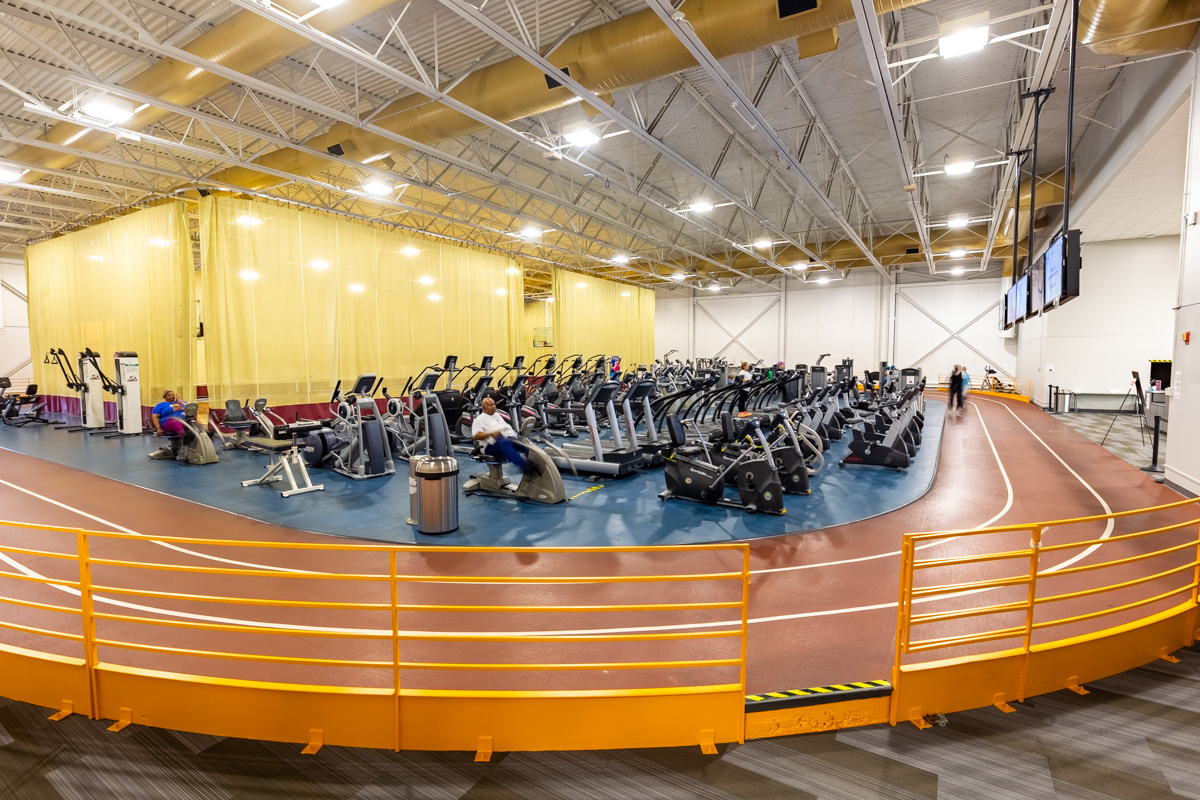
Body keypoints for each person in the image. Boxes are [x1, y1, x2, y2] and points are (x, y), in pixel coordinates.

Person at [472, 396, 530, 472]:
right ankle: (525, 466)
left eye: (494, 405)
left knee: (524, 442)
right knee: (503, 442)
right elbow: (476, 436)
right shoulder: (479, 419)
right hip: (490, 446)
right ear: (484, 407)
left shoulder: (497, 415)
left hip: (507, 439)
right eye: (490, 405)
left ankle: (535, 462)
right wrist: (491, 434)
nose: (494, 407)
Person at [148, 389, 188, 460]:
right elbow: (154, 417)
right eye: (169, 395)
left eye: (172, 394)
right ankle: (183, 447)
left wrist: (180, 402)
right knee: (175, 421)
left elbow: (192, 407)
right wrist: (158, 428)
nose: (171, 396)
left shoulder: (182, 402)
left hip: (184, 421)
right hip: (167, 422)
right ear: (165, 397)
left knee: (194, 423)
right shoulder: (160, 405)